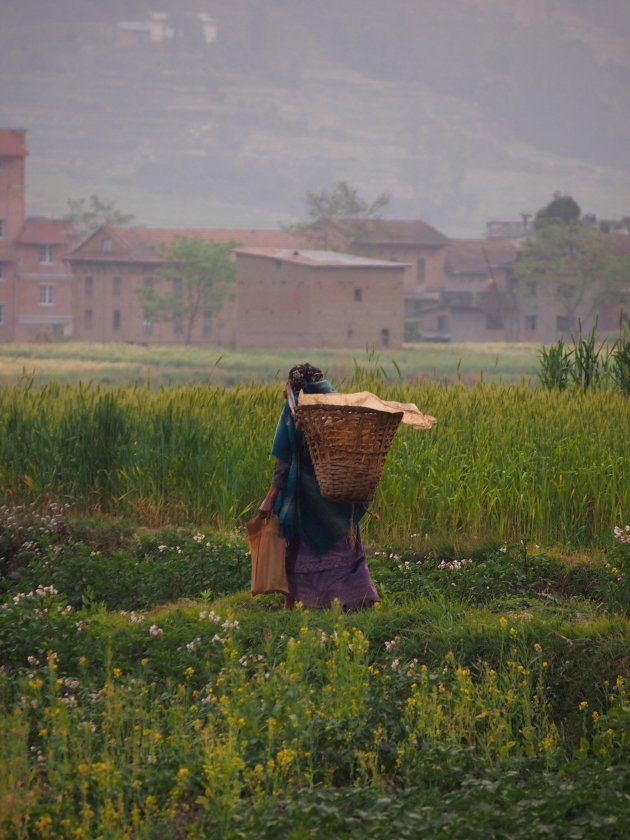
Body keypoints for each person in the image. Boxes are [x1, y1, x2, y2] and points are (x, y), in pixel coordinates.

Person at [259, 363, 380, 610]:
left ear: (293, 385)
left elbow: (284, 461)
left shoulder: (295, 407)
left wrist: (270, 498)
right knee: (343, 548)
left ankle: (294, 607)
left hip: (306, 499)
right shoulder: (339, 406)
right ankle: (354, 600)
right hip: (338, 495)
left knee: (299, 551)